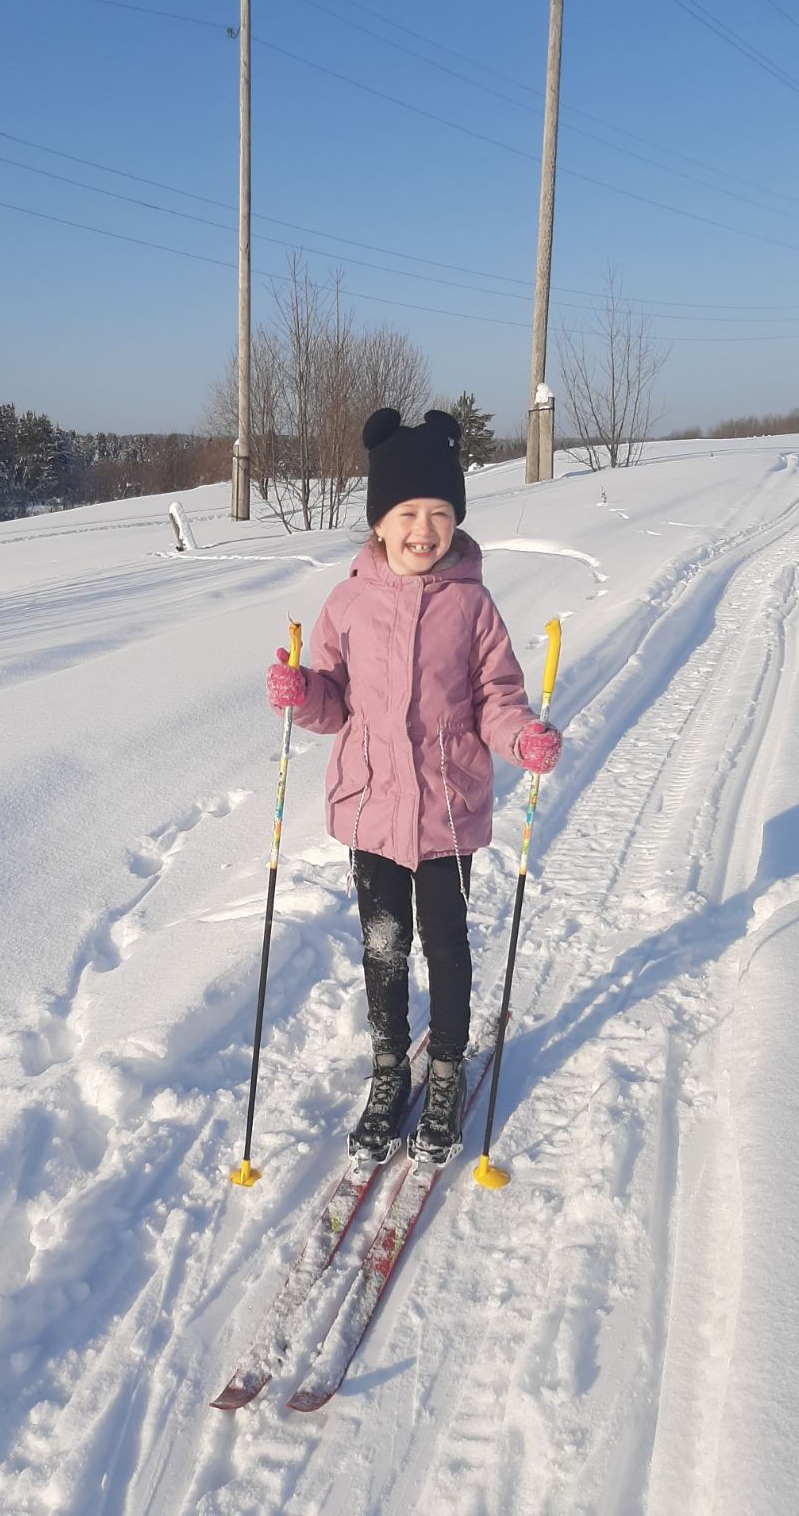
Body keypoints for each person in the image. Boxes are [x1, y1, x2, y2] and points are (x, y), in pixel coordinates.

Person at [266, 407, 562, 1167]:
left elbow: (496, 697)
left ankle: (446, 1066)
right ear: (380, 522)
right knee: (384, 947)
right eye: (407, 513)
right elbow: (333, 700)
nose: (423, 529)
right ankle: (391, 1067)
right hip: (371, 811)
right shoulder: (348, 602)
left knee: (446, 945)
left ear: (456, 520)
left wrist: (520, 736)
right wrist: (303, 694)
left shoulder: (472, 605)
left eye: (438, 513)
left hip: (448, 814)